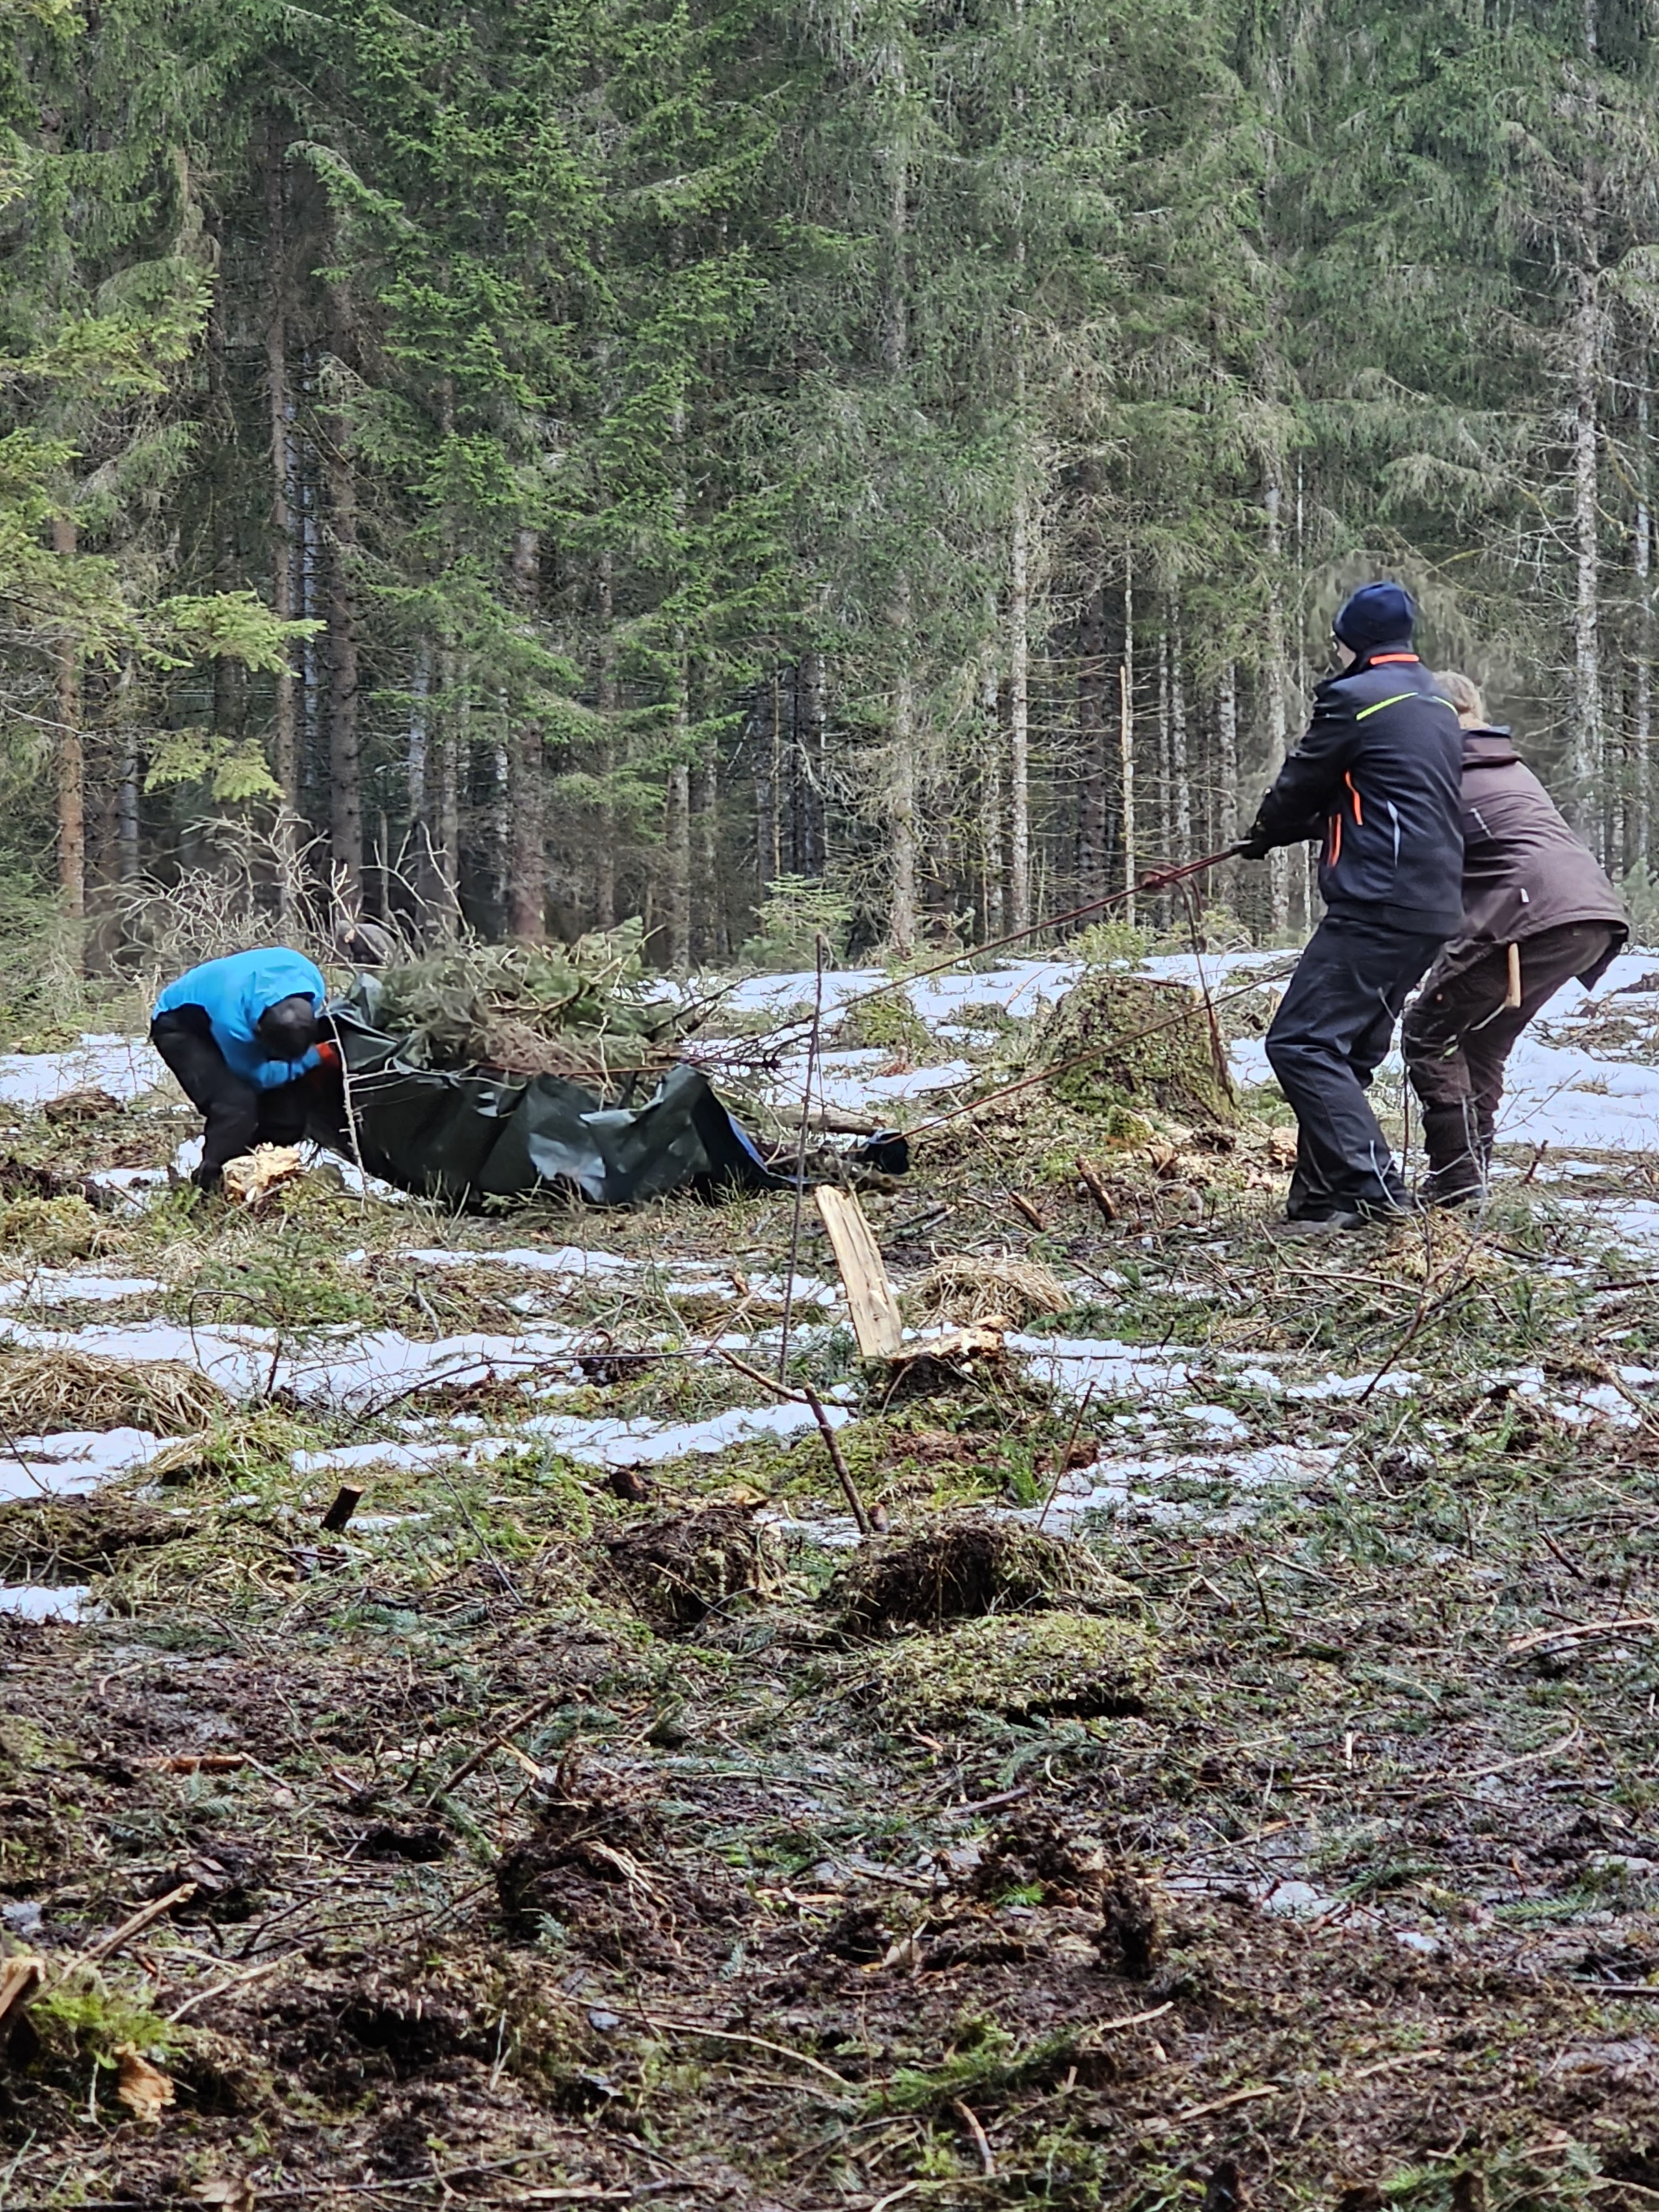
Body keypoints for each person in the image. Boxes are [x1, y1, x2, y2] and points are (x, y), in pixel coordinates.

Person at [1237, 581, 1464, 1234]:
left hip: (1378, 900)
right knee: (1343, 1053)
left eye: (1338, 640)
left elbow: (1303, 780)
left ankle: (1374, 1194)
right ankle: (1321, 1202)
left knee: (1301, 1043)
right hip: (1431, 905)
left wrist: (1267, 833)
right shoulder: (1437, 702)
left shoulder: (1355, 698)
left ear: (1352, 641)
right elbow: (1392, 796)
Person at [1401, 673, 1629, 1205]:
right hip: (1589, 915)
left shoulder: (1442, 763)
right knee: (1482, 1041)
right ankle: (1467, 1180)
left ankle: (1457, 1183)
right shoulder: (1504, 761)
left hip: (1533, 914)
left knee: (1426, 1033)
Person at [150, 948, 339, 1191]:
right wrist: (313, 1058)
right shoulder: (232, 1020)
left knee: (289, 1114)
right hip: (179, 1025)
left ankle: (259, 1173)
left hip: (241, 1004)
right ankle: (209, 1187)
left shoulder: (312, 983)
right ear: (259, 1032)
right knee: (235, 1105)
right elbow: (255, 1077)